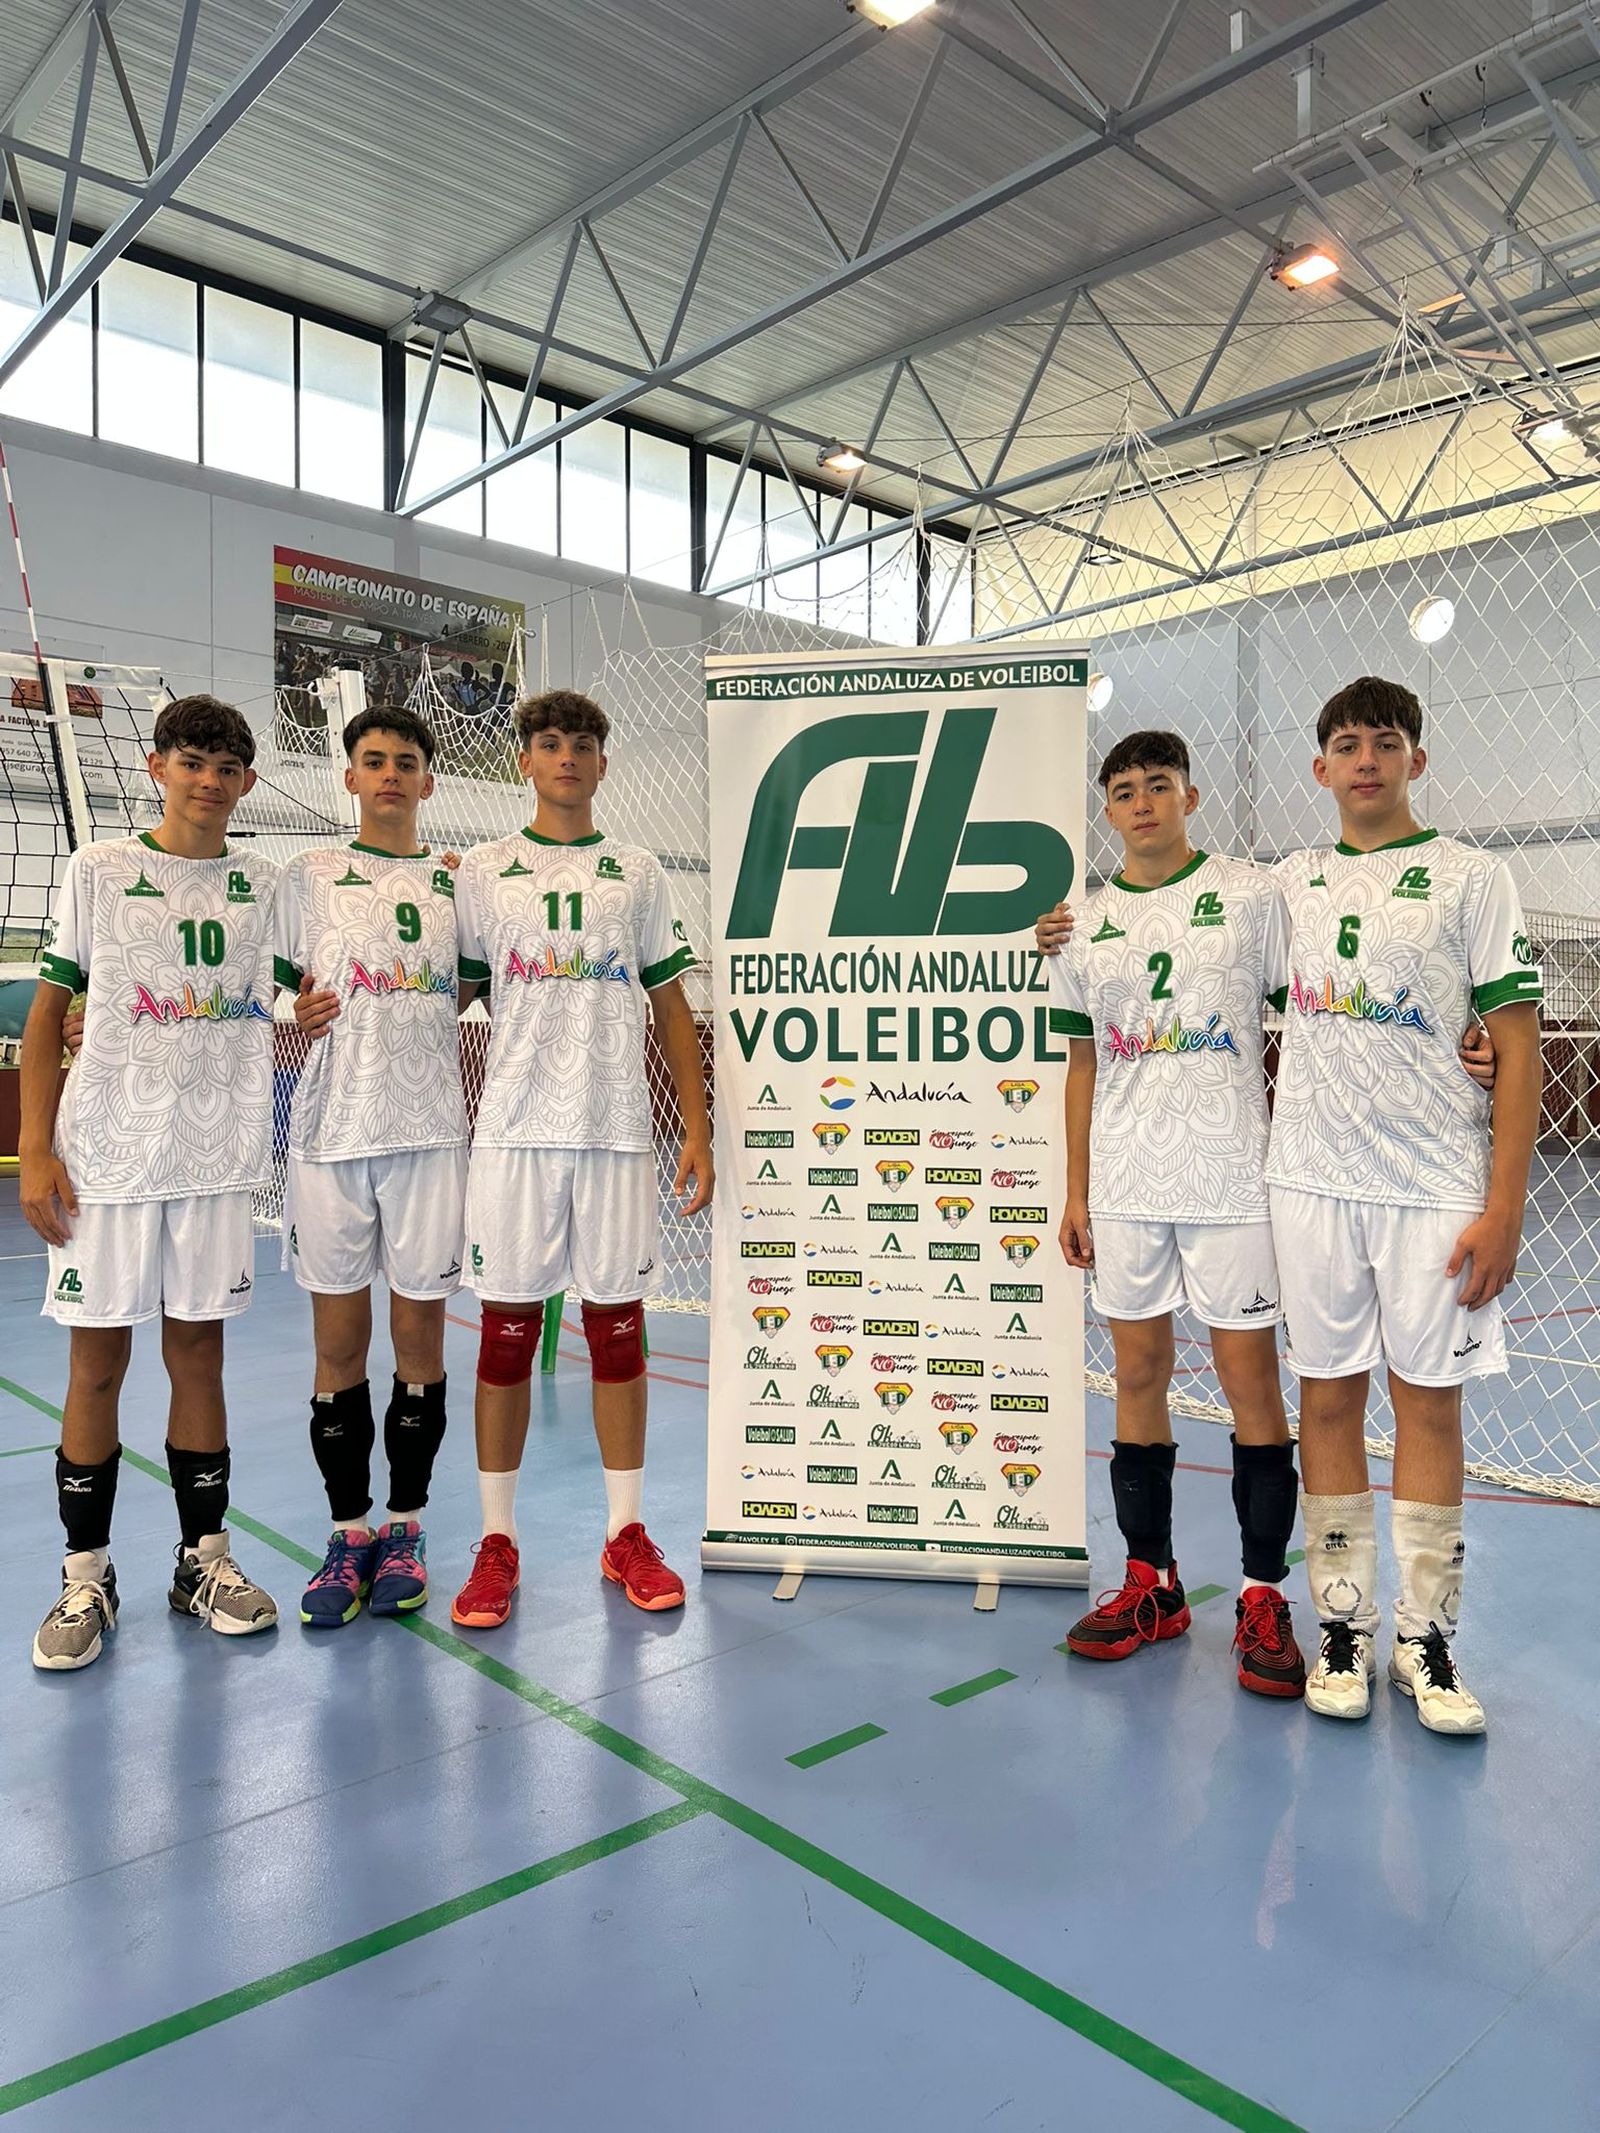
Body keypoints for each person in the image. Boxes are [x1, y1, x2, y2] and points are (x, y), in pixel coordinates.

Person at [1267, 677, 1541, 1734]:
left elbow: (1511, 1044)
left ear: (1415, 762)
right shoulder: (1284, 884)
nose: (1366, 758)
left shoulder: (1472, 878)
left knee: (1429, 1404)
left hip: (1435, 1186)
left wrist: (1504, 1205)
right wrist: (1071, 925)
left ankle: (1424, 1641)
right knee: (1326, 1401)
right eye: (1346, 743)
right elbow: (1157, 919)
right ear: (1321, 769)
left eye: (1385, 742)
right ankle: (1340, 1624)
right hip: (1311, 1184)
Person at [19, 694, 280, 1670]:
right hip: (108, 1162)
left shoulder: (266, 885)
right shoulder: (99, 870)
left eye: (226, 767)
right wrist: (37, 1149)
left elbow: (319, 968)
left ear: (248, 782)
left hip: (213, 1163)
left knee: (199, 1361)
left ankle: (201, 1561)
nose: (208, 781)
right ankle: (86, 1574)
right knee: (96, 1368)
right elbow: (49, 1015)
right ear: (155, 765)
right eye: (192, 762)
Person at [1045, 731, 1306, 1695]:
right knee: (1139, 1372)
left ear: (1191, 796)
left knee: (1248, 1379)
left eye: (1160, 785)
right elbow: (1081, 1064)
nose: (1143, 801)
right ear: (1107, 808)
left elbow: (1317, 1010)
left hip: (1233, 1177)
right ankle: (1150, 1582)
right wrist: (1076, 1189)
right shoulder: (1082, 924)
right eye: (1123, 790)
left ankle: (1261, 1592)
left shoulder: (1250, 896)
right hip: (1126, 1184)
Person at [448, 687, 712, 1626]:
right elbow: (448, 995)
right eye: (550, 742)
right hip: (514, 1135)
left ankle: (626, 1532)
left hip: (613, 1133)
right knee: (507, 1339)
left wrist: (698, 1127)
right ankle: (496, 1541)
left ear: (605, 763)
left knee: (619, 1334)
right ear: (524, 759)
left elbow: (672, 1005)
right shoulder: (479, 871)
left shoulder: (638, 872)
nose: (567, 756)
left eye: (584, 744)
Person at [275, 709, 469, 1627]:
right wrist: (290, 1009)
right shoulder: (307, 877)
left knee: (421, 1345)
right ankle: (347, 1531)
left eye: (406, 763)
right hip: (329, 1137)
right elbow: (255, 987)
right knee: (340, 1345)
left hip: (430, 1135)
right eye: (373, 762)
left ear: (429, 782)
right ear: (347, 777)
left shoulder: (458, 883)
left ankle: (407, 1524)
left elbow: (494, 981)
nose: (390, 774)